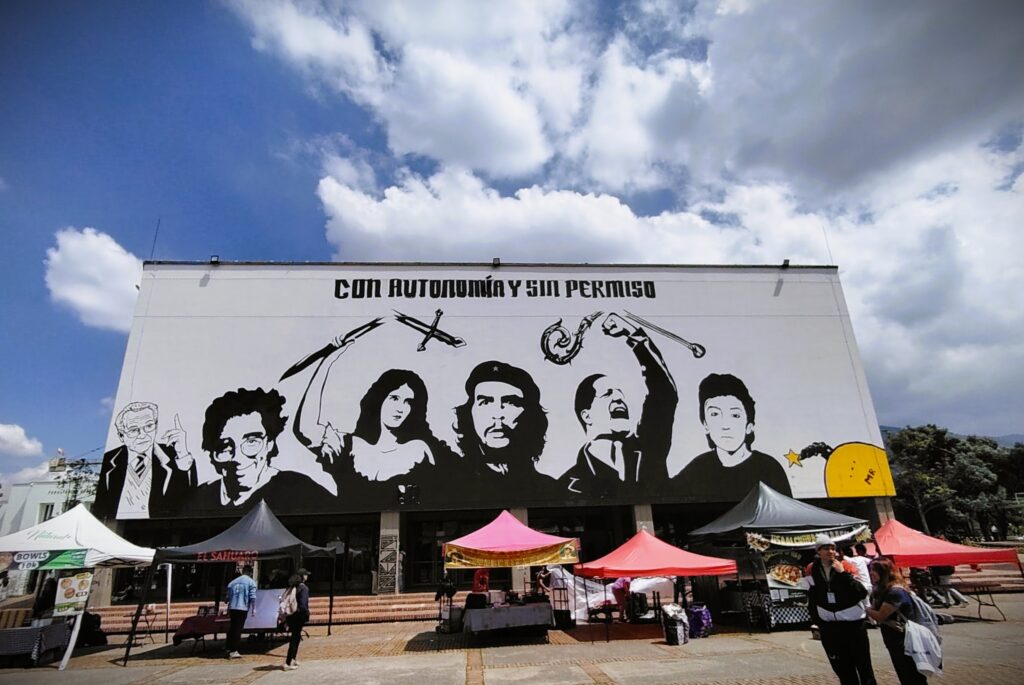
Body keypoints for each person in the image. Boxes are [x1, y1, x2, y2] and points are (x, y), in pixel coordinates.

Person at [293, 336, 459, 506]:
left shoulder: (419, 450)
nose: (401, 408)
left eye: (408, 402)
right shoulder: (350, 446)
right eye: (394, 398)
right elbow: (305, 430)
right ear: (379, 399)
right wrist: (327, 361)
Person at [559, 313, 677, 498]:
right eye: (607, 394)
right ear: (587, 416)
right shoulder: (568, 484)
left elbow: (664, 394)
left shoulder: (649, 447)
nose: (618, 398)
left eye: (620, 394)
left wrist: (632, 335)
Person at [190, 388, 330, 513]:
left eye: (251, 442)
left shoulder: (300, 490)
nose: (238, 458)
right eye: (225, 447)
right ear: (213, 453)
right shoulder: (200, 499)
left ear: (269, 443)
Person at [672, 373, 791, 498]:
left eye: (735, 415)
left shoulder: (769, 469)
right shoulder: (698, 469)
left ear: (749, 426)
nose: (725, 425)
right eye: (715, 414)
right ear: (705, 424)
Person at [453, 361, 558, 498]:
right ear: (469, 413)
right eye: (485, 402)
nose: (497, 414)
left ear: (531, 416)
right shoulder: (451, 487)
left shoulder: (551, 491)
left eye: (510, 402)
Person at [93, 401, 196, 519]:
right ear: (121, 435)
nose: (143, 435)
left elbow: (191, 497)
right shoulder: (109, 460)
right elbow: (101, 508)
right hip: (118, 526)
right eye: (133, 430)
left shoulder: (174, 454)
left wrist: (182, 454)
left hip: (161, 527)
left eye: (149, 426)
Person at [803, 534, 875, 685]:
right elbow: (812, 595)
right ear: (818, 551)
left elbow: (861, 592)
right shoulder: (812, 569)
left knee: (863, 665)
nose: (830, 552)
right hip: (829, 625)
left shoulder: (845, 566)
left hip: (853, 623)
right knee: (841, 667)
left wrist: (843, 574)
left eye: (832, 548)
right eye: (826, 549)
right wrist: (817, 620)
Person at [866, 558, 927, 684]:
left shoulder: (895, 592)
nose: (871, 573)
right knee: (905, 673)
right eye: (870, 570)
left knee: (911, 674)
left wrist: (864, 609)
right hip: (893, 638)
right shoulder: (882, 590)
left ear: (884, 572)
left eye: (875, 570)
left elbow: (879, 616)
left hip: (903, 638)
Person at [225, 565, 257, 659]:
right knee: (238, 629)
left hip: (233, 607)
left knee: (232, 628)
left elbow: (227, 598)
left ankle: (228, 647)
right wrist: (253, 608)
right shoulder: (251, 582)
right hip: (242, 607)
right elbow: (252, 597)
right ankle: (234, 650)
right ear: (250, 572)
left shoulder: (233, 582)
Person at [282, 569, 310, 671]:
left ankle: (292, 659)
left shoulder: (293, 587)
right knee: (295, 638)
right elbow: (303, 604)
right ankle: (289, 661)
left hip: (291, 615)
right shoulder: (304, 588)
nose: (307, 576)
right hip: (298, 616)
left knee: (295, 637)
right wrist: (306, 614)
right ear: (303, 576)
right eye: (306, 574)